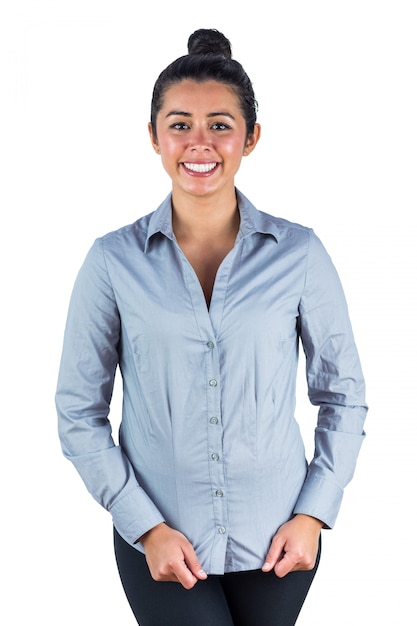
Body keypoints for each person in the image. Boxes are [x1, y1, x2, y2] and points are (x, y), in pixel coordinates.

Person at [56, 28, 368, 626]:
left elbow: (343, 395)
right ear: (153, 136)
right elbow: (77, 411)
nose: (199, 143)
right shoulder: (111, 261)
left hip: (279, 541)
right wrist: (143, 526)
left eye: (220, 124)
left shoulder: (300, 254)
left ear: (251, 138)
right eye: (180, 124)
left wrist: (314, 515)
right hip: (162, 544)